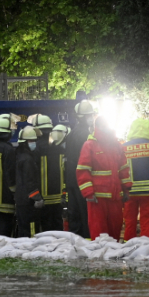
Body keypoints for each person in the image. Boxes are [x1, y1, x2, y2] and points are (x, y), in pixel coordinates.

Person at [77, 116, 131, 241]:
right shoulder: (89, 145)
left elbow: (123, 169)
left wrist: (126, 189)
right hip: (97, 198)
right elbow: (83, 170)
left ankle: (113, 257)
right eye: (104, 125)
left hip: (115, 197)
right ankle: (99, 258)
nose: (106, 127)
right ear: (98, 127)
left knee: (115, 230)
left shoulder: (117, 145)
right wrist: (88, 193)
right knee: (99, 231)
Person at [65, 101, 95, 238]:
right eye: (89, 115)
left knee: (74, 213)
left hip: (71, 179)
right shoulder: (85, 135)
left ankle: (75, 240)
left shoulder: (71, 133)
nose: (91, 118)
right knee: (85, 213)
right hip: (82, 180)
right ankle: (87, 240)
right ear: (82, 117)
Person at [31, 114, 62, 231]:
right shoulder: (58, 146)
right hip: (58, 196)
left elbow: (32, 173)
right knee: (58, 225)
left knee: (45, 227)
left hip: (42, 196)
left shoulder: (36, 148)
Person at [14, 126, 45, 237]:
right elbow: (30, 180)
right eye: (32, 140)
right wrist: (37, 197)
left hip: (21, 200)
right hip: (29, 201)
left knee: (22, 228)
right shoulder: (28, 159)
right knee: (31, 229)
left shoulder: (19, 156)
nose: (34, 143)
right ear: (25, 142)